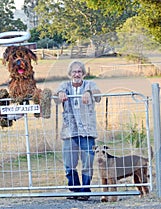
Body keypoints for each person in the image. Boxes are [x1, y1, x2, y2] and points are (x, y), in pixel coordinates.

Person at [56, 60, 101, 200]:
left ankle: (85, 190)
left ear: (83, 74)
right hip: (70, 131)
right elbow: (56, 97)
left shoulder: (90, 84)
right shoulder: (64, 85)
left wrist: (88, 92)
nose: (77, 74)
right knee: (69, 163)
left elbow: (98, 95)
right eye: (74, 71)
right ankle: (75, 190)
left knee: (87, 162)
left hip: (87, 131)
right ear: (70, 74)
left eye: (79, 71)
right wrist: (60, 93)